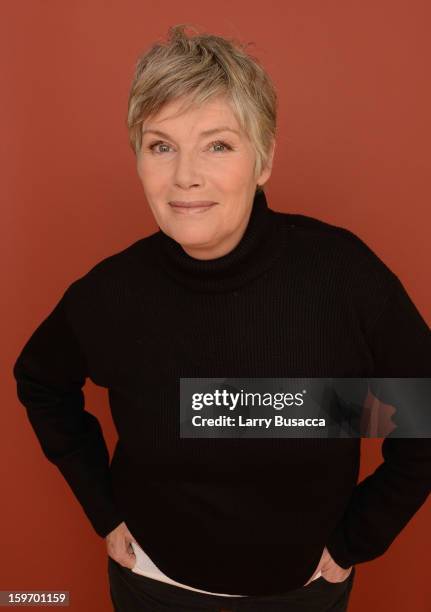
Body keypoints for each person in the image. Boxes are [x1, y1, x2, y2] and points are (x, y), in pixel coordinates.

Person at [13, 23, 430, 612]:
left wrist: (358, 538)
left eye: (218, 144)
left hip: (302, 595)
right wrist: (103, 511)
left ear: (264, 159)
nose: (185, 176)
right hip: (150, 588)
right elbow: (40, 380)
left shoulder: (342, 277)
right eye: (161, 145)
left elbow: (422, 414)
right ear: (138, 156)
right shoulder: (111, 294)